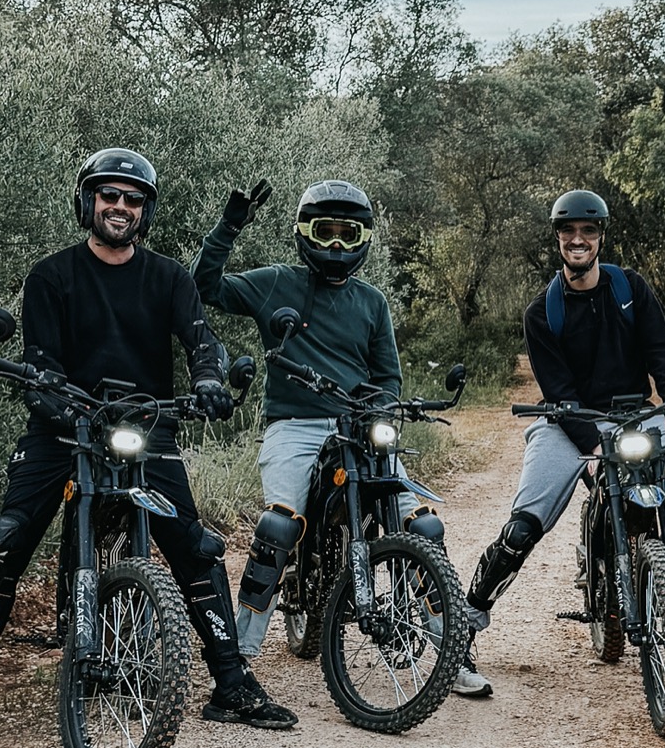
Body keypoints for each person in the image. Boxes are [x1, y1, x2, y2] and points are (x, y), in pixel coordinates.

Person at [0, 148, 295, 748]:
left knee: (196, 547)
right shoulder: (51, 276)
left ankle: (231, 680)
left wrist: (207, 381)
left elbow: (202, 341)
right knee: (6, 539)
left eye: (132, 199)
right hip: (62, 426)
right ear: (87, 202)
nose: (120, 206)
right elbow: (39, 362)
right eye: (109, 195)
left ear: (144, 212)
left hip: (148, 429)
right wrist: (58, 401)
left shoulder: (170, 277)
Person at [190, 179, 488, 696]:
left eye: (347, 233)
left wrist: (379, 408)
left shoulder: (372, 303)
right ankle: (239, 657)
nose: (334, 244)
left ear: (363, 238)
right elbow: (205, 286)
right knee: (278, 528)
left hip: (359, 424)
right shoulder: (276, 283)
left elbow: (388, 376)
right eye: (323, 232)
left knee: (426, 528)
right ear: (304, 233)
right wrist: (231, 223)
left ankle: (450, 650)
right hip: (295, 426)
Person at [462, 189, 665, 689]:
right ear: (557, 238)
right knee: (522, 530)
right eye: (568, 232)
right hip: (567, 423)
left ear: (600, 236)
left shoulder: (630, 289)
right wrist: (594, 447)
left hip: (634, 415)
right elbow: (557, 392)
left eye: (588, 231)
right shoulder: (544, 312)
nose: (578, 240)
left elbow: (660, 353)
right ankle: (464, 626)